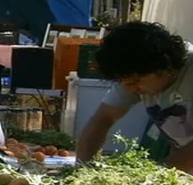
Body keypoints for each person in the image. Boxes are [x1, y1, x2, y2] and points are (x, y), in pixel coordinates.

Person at [77, 22, 193, 169]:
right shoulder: (134, 74)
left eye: (136, 82)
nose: (131, 90)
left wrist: (159, 175)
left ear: (164, 66)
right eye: (125, 83)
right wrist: (82, 169)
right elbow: (103, 118)